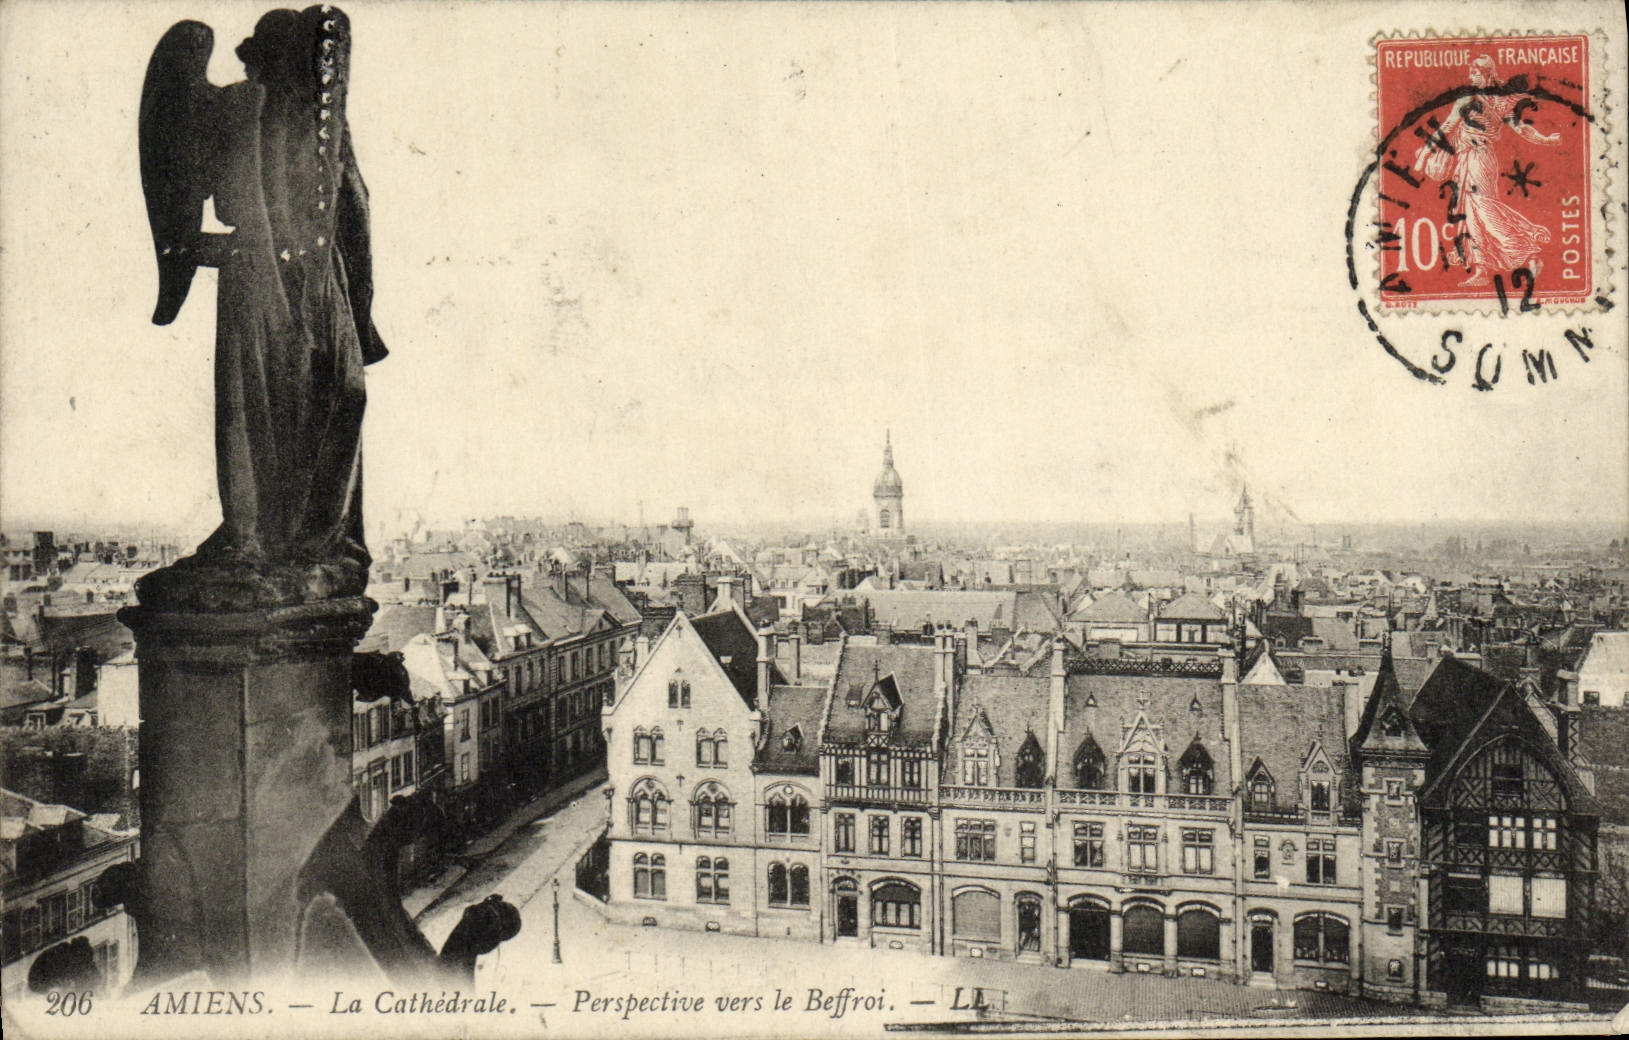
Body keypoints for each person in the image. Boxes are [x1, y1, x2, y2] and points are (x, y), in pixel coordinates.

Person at [1412, 55, 1561, 286]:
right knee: (1470, 213)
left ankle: (1527, 248)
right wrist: (1546, 140)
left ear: (1487, 75)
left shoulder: (1482, 101)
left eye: (1475, 73)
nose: (1471, 77)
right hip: (1472, 159)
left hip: (1479, 160)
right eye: (1471, 73)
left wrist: (1546, 140)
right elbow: (1450, 128)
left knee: (1483, 210)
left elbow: (1448, 128)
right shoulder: (1493, 100)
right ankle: (1481, 271)